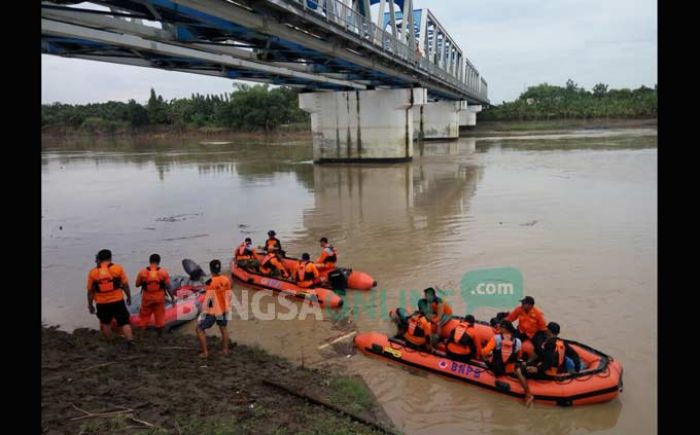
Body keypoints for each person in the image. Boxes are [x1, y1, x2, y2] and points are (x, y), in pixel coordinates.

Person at [86, 249, 134, 346]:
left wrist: (90, 305)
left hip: (101, 303)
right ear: (110, 258)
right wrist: (129, 297)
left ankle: (109, 342)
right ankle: (129, 341)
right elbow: (125, 285)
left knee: (105, 323)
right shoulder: (118, 269)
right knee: (124, 322)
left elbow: (90, 292)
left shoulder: (93, 273)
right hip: (117, 301)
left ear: (99, 259)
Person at [481, 320, 533, 406]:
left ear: (504, 328)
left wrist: (483, 352)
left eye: (500, 327)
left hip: (496, 369)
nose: (498, 328)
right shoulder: (518, 341)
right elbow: (518, 357)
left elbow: (485, 352)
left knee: (485, 354)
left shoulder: (496, 338)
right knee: (518, 365)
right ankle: (528, 393)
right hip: (510, 370)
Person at [196, 260, 232, 358]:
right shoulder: (226, 279)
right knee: (223, 329)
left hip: (213, 312)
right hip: (224, 309)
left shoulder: (209, 282)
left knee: (199, 329)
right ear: (219, 268)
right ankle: (225, 350)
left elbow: (209, 299)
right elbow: (229, 295)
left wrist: (204, 312)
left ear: (210, 269)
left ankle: (205, 353)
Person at [134, 254, 174, 340]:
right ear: (159, 261)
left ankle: (141, 337)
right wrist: (172, 298)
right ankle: (159, 336)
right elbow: (168, 287)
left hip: (147, 298)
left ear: (149, 261)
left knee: (144, 317)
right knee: (160, 318)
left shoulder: (142, 272)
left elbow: (137, 285)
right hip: (159, 298)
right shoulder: (163, 272)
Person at [505, 296, 548, 361]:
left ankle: (540, 360)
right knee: (513, 342)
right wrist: (501, 324)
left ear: (530, 305)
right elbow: (509, 319)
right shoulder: (519, 309)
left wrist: (545, 338)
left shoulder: (538, 314)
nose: (522, 304)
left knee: (539, 347)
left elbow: (543, 328)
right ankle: (512, 357)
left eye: (524, 303)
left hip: (533, 333)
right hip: (521, 331)